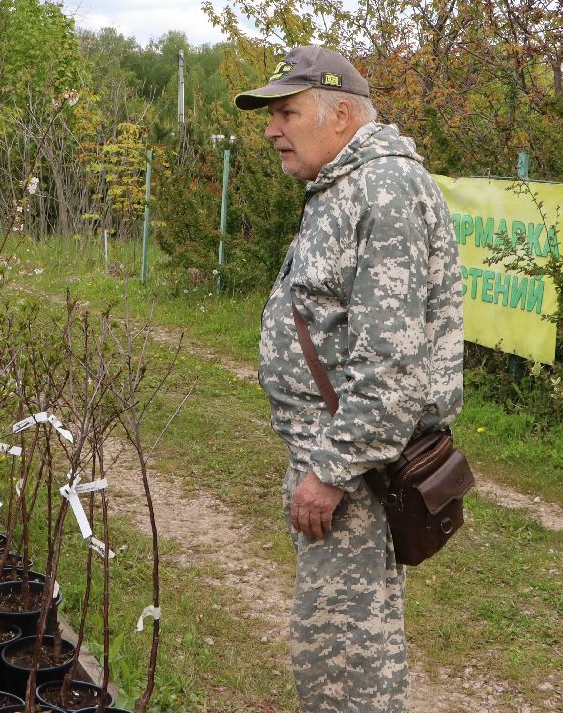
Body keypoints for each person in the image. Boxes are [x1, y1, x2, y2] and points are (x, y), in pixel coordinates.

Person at [234, 45, 464, 713]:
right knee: (344, 646)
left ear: (338, 116)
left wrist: (330, 470)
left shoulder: (383, 190)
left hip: (356, 470)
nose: (271, 130)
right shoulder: (347, 185)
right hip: (343, 459)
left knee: (343, 662)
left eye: (285, 113)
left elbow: (391, 368)